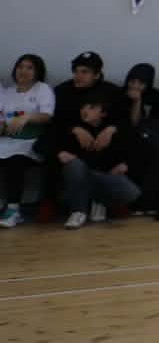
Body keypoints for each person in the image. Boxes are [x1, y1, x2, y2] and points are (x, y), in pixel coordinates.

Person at [45, 52, 125, 223]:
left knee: (120, 144)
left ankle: (107, 200)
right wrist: (74, 129)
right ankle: (51, 202)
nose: (78, 76)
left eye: (84, 72)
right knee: (52, 147)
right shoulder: (62, 91)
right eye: (76, 71)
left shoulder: (112, 91)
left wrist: (111, 129)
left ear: (97, 74)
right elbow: (54, 122)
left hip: (102, 142)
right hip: (70, 141)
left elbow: (124, 120)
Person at [58, 90, 141, 229]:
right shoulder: (72, 128)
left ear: (103, 113)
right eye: (83, 107)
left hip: (102, 178)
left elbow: (136, 146)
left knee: (131, 191)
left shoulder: (114, 130)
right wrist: (60, 153)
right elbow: (46, 144)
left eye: (92, 107)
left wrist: (125, 164)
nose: (85, 111)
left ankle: (100, 201)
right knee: (74, 165)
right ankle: (78, 211)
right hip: (75, 183)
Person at [0, 54, 54, 228]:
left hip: (31, 141)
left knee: (15, 161)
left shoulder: (42, 89)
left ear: (37, 71)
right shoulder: (7, 92)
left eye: (29, 67)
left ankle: (13, 210)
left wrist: (26, 117)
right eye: (20, 67)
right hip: (7, 139)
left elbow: (47, 116)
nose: (23, 71)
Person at [121, 63, 159, 214]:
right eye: (132, 81)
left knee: (154, 150)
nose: (135, 86)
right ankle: (135, 203)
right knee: (137, 149)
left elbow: (155, 122)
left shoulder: (155, 95)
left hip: (150, 135)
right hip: (127, 135)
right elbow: (133, 123)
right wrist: (137, 101)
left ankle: (150, 202)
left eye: (140, 83)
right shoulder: (121, 94)